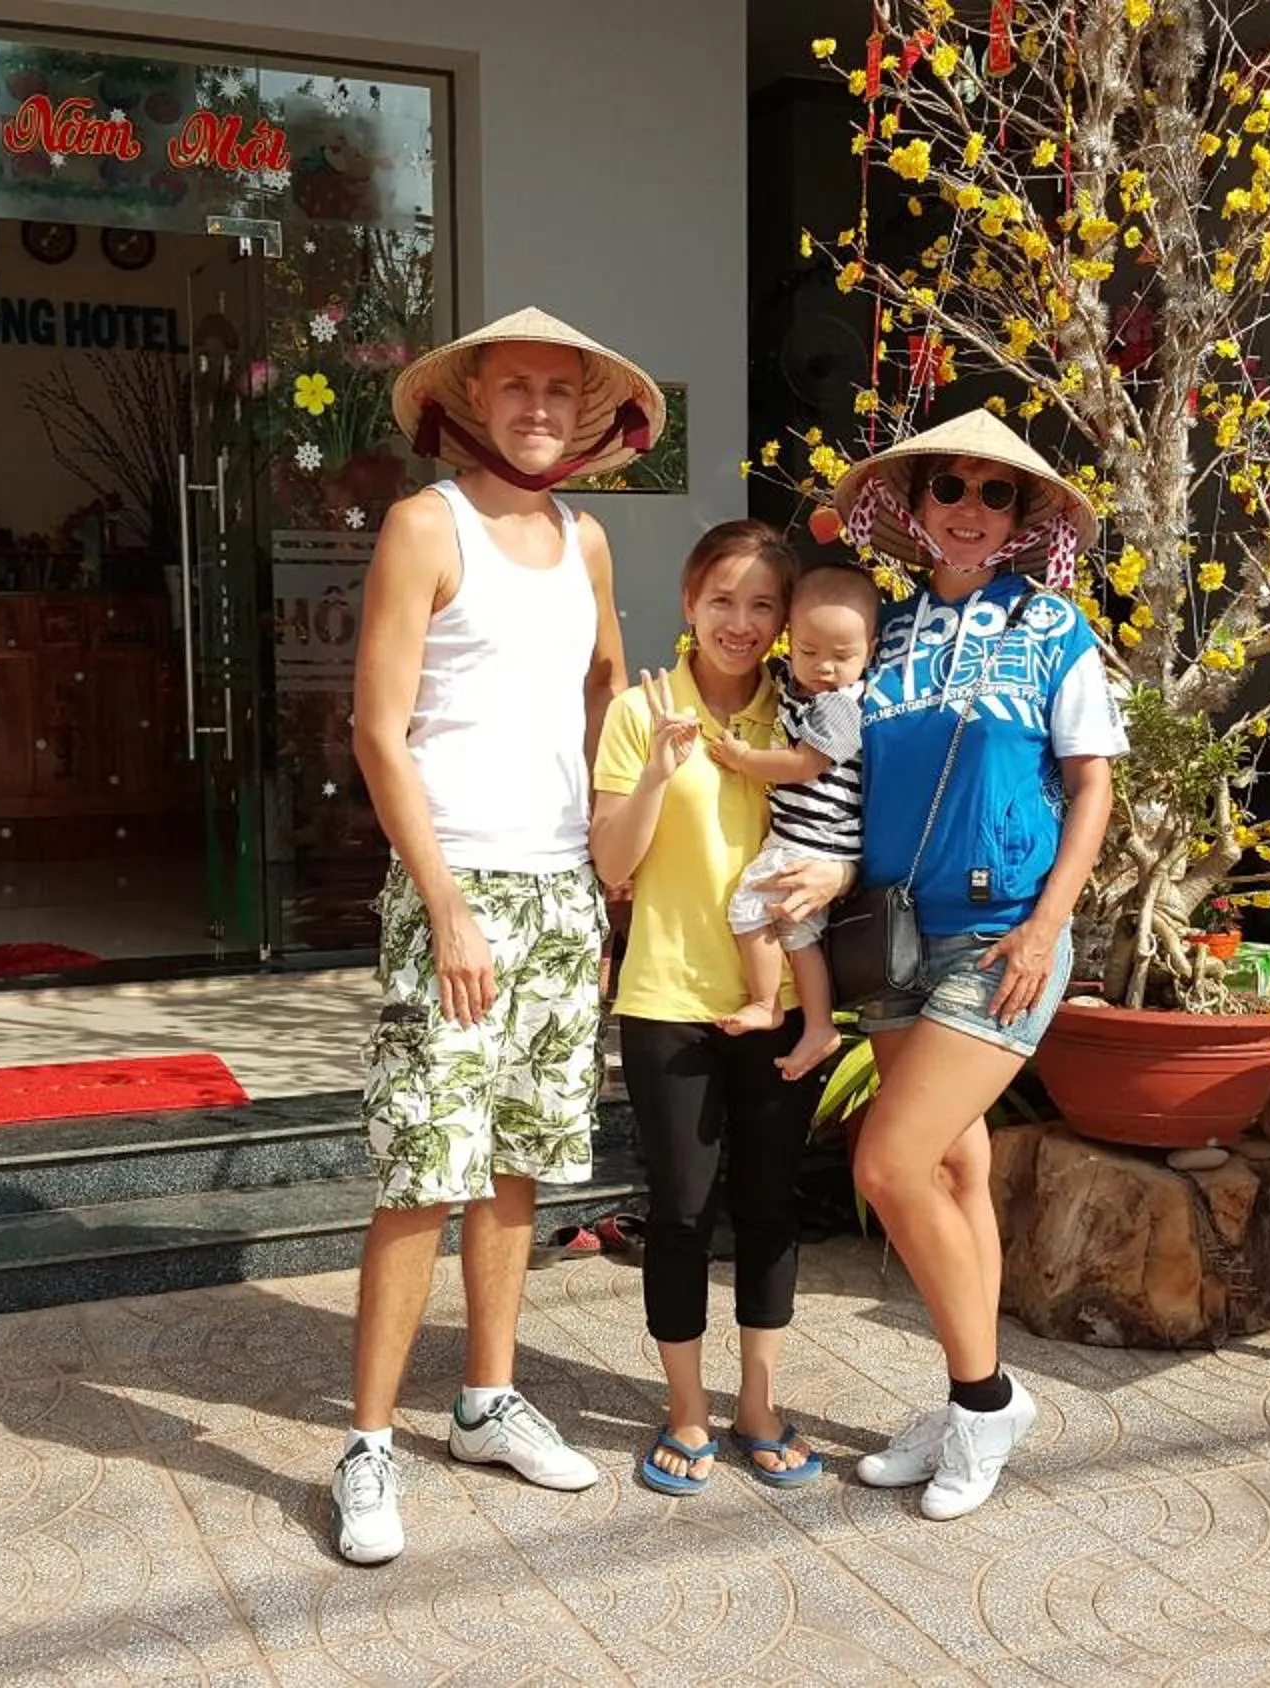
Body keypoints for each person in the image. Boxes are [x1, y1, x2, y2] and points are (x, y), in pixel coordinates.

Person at [336, 307, 663, 1566]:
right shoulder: (430, 523)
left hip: (555, 891)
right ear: (473, 395)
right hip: (453, 883)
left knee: (519, 1160)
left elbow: (609, 692)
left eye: (558, 388)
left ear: (586, 411)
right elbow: (377, 726)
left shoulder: (586, 539)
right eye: (515, 382)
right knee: (426, 1167)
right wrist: (444, 901)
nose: (537, 403)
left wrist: (605, 870)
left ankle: (484, 1396)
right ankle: (368, 1443)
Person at [763, 410, 1119, 1521]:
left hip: (1003, 932)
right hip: (895, 935)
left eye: (995, 494)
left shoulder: (1053, 626)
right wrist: (816, 872)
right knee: (953, 1173)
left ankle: (987, 1394)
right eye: (948, 489)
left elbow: (1093, 784)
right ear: (912, 511)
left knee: (888, 1162)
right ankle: (974, 1406)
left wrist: (1050, 923)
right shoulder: (885, 632)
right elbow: (831, 775)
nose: (969, 510)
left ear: (1022, 519)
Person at [589, 521, 828, 1495]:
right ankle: (686, 1408)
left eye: (762, 603)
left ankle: (759, 1406)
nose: (741, 620)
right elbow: (614, 863)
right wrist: (657, 766)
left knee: (771, 1207)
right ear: (689, 602)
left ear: (785, 619)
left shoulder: (806, 717)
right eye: (721, 598)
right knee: (682, 1209)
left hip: (774, 1002)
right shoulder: (641, 710)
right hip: (666, 998)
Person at [705, 564, 881, 1082]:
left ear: (870, 648)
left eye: (843, 656)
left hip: (811, 840)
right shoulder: (799, 686)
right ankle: (820, 1024)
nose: (824, 667)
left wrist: (742, 758)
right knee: (797, 930)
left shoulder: (840, 707)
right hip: (812, 840)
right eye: (808, 652)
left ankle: (766, 1003)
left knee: (747, 906)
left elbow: (804, 764)